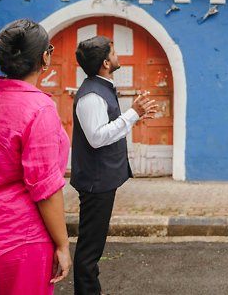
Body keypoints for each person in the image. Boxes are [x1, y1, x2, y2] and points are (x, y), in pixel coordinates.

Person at [0, 19, 71, 295]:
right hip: (21, 240)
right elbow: (45, 188)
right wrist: (62, 244)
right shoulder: (39, 109)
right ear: (45, 57)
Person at [72, 35, 158, 295]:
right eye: (114, 51)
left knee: (94, 246)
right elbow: (97, 138)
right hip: (95, 182)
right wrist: (133, 114)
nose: (118, 55)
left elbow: (108, 128)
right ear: (106, 63)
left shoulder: (102, 87)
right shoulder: (91, 96)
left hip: (102, 180)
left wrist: (134, 117)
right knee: (90, 249)